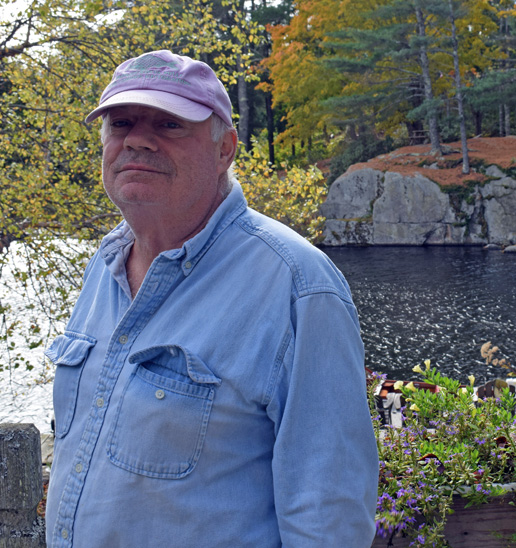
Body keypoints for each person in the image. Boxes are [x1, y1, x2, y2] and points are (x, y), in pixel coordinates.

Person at [44, 50, 379, 547]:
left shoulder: (298, 286)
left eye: (169, 124)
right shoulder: (107, 262)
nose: (137, 138)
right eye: (121, 123)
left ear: (225, 149)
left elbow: (328, 520)